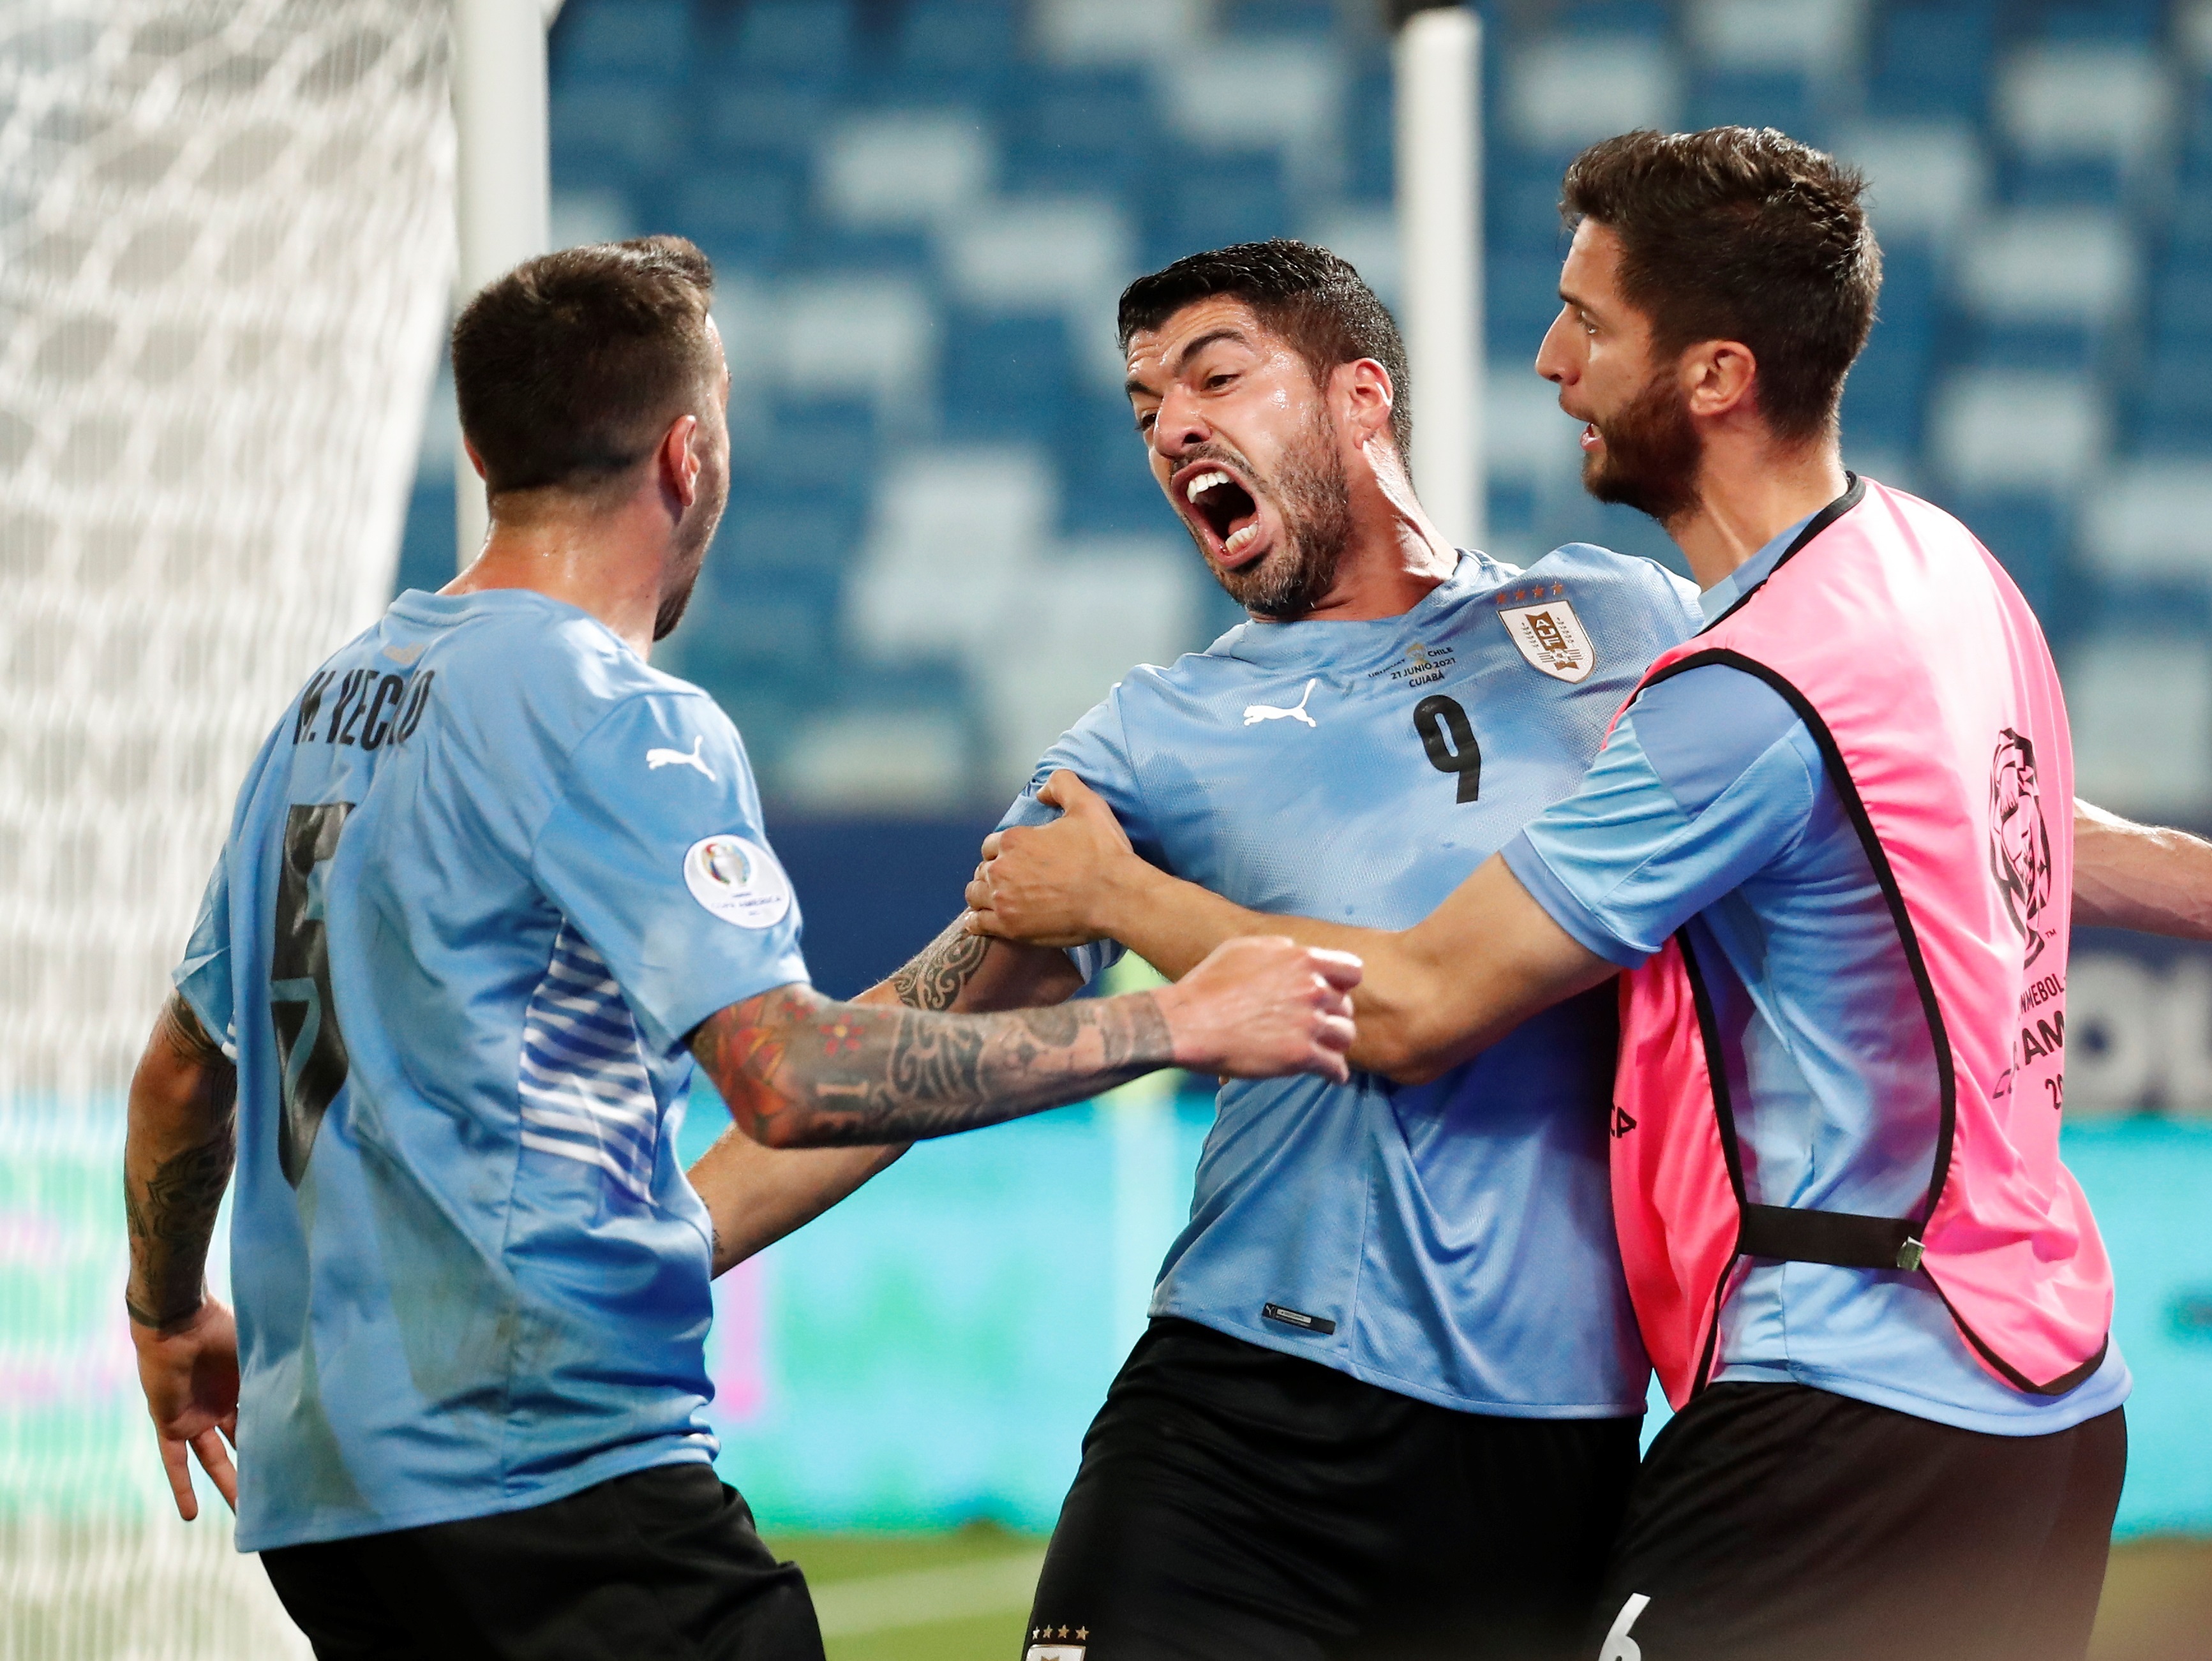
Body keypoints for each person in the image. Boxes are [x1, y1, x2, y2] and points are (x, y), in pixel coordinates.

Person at [705, 232, 2212, 1658]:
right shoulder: (1152, 737)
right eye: (1147, 404)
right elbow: (928, 1040)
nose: (1170, 427)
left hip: (1556, 1465)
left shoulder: (1627, 624)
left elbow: (1920, 809)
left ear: (1359, 391)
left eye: (1216, 377)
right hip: (1238, 1415)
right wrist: (657, 1243)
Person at [121, 235, 1361, 1661]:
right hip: (551, 1481)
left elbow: (176, 1078)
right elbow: (792, 1074)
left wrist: (165, 1314)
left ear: (478, 447)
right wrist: (1181, 1021)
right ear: (688, 455)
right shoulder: (619, 716)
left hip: (328, 1514)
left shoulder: (331, 704)